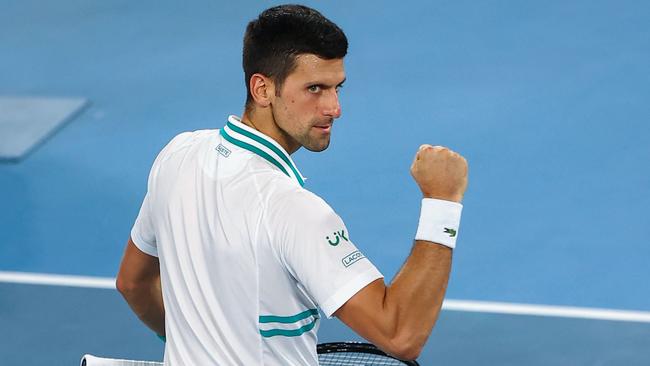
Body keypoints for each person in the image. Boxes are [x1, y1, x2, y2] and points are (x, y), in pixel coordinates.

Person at [116, 4, 468, 365]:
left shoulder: (178, 154)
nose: (334, 108)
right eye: (315, 88)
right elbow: (401, 333)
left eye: (337, 88)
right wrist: (442, 200)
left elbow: (133, 284)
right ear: (262, 89)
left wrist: (195, 347)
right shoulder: (293, 209)